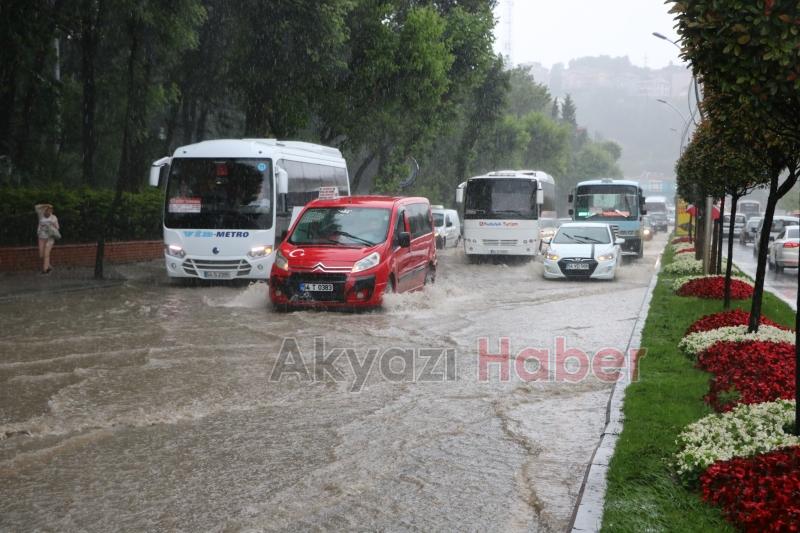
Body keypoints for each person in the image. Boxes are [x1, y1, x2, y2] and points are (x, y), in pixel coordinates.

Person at [35, 203, 59, 274]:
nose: (48, 211)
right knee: (41, 255)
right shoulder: (41, 215)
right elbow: (37, 207)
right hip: (41, 237)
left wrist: (51, 226)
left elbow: (57, 227)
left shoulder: (53, 217)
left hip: (50, 237)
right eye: (47, 210)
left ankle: (45, 270)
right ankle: (48, 266)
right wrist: (46, 205)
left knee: (46, 253)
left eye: (50, 210)